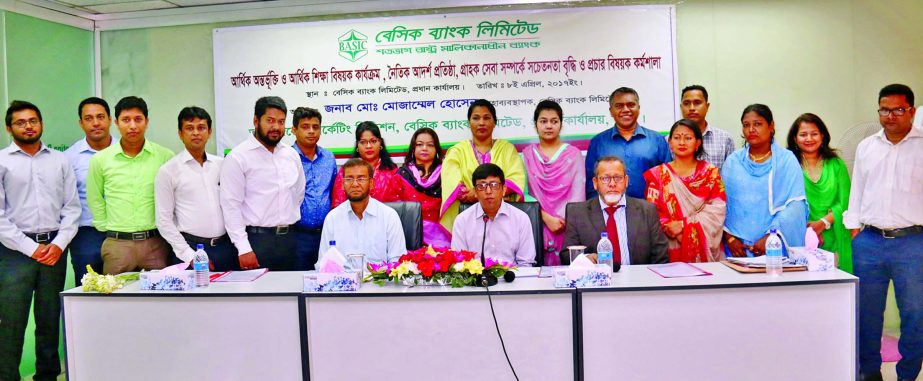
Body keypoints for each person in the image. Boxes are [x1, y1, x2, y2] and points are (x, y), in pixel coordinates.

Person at [843, 84, 922, 381]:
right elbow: (857, 191)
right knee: (867, 315)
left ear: (911, 111)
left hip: (913, 243)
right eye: (885, 109)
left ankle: (907, 375)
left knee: (915, 316)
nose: (890, 116)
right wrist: (855, 231)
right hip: (870, 242)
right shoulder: (866, 147)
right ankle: (869, 373)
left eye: (898, 110)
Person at [0, 101, 81, 381]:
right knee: (12, 320)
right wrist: (32, 249)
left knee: (48, 320)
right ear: (9, 128)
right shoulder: (2, 161)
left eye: (33, 120)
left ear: (41, 124)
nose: (29, 126)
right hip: (14, 253)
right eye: (21, 122)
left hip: (54, 250)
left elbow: (72, 208)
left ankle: (47, 376)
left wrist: (58, 244)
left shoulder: (60, 161)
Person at [86, 96, 174, 274]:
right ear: (116, 122)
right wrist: (106, 227)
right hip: (118, 244)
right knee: (115, 299)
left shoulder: (165, 156)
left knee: (160, 299)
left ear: (147, 122)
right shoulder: (100, 159)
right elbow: (94, 197)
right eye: (126, 120)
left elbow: (173, 197)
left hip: (156, 243)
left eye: (138, 119)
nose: (132, 126)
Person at [220, 96, 305, 271]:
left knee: (291, 295)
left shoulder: (291, 155)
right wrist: (243, 248)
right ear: (256, 121)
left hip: (290, 240)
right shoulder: (238, 157)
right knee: (260, 297)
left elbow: (298, 194)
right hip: (256, 242)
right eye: (270, 121)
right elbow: (230, 206)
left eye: (281, 122)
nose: (276, 127)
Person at [155, 107, 238, 271]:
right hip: (191, 249)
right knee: (195, 297)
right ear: (180, 133)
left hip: (226, 248)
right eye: (189, 128)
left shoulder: (221, 165)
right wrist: (189, 255)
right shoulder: (168, 170)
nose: (196, 133)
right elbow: (163, 221)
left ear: (209, 132)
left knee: (228, 296)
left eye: (201, 128)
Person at [721, 104, 807, 257]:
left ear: (771, 126)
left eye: (758, 124)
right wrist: (731, 238)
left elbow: (795, 205)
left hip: (776, 246)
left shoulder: (786, 160)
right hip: (738, 250)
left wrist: (771, 237)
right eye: (746, 125)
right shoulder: (733, 162)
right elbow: (722, 204)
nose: (751, 129)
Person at [643, 119, 727, 263]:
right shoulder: (657, 175)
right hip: (669, 248)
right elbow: (652, 212)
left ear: (698, 143)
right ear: (670, 142)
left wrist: (683, 226)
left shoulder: (710, 173)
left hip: (705, 251)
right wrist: (672, 230)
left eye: (688, 138)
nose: (682, 142)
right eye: (677, 138)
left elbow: (717, 211)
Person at [561, 156, 668, 266]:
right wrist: (585, 259)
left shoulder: (647, 211)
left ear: (626, 181)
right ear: (595, 183)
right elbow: (565, 256)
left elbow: (661, 257)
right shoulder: (577, 213)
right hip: (596, 281)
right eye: (605, 179)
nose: (612, 184)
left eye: (618, 178)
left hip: (639, 280)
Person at [441, 99, 527, 232]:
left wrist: (475, 193)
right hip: (469, 219)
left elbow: (515, 179)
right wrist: (491, 193)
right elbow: (452, 184)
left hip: (503, 219)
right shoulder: (457, 151)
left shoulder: (507, 149)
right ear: (469, 123)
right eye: (476, 118)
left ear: (494, 123)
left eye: (486, 118)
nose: (481, 122)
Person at [786, 113, 852, 272]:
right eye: (803, 134)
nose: (809, 138)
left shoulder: (836, 164)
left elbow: (846, 201)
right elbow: (784, 201)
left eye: (814, 134)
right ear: (795, 139)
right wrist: (809, 231)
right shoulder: (789, 164)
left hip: (834, 233)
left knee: (835, 288)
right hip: (798, 235)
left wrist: (823, 222)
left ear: (822, 136)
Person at [523, 100, 586, 266]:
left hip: (567, 226)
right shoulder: (527, 155)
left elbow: (578, 194)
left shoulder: (574, 155)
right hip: (536, 223)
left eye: (554, 121)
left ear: (561, 125)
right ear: (536, 125)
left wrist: (562, 220)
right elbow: (523, 193)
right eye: (543, 121)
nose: (549, 126)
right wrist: (545, 217)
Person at [585, 87, 672, 200]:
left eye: (631, 105)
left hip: (650, 212)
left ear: (639, 108)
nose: (626, 109)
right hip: (609, 213)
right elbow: (591, 184)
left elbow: (668, 180)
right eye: (619, 106)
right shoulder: (598, 142)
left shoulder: (657, 141)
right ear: (611, 111)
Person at [318, 158, 406, 266]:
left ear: (371, 183)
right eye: (349, 179)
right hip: (344, 281)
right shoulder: (332, 218)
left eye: (361, 179)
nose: (355, 184)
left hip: (379, 281)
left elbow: (397, 262)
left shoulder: (389, 216)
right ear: (342, 184)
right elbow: (324, 263)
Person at [64, 97, 113, 284]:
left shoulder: (125, 150)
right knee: (88, 289)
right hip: (86, 233)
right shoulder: (70, 157)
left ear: (110, 119)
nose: (95, 123)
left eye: (100, 117)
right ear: (81, 123)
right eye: (89, 118)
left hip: (123, 232)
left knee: (123, 290)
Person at [451, 163, 536, 267]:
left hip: (512, 279)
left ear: (503, 190)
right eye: (481, 186)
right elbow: (460, 263)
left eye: (494, 185)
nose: (488, 191)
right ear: (475, 192)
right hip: (476, 281)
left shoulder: (521, 219)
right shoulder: (462, 221)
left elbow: (526, 263)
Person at [292, 107, 337, 271]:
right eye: (305, 127)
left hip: (326, 234)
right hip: (296, 235)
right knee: (298, 282)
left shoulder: (328, 157)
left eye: (315, 127)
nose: (311, 131)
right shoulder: (286, 157)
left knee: (328, 279)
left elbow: (334, 191)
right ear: (294, 130)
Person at [396, 127, 452, 248]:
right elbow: (397, 208)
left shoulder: (446, 173)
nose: (425, 148)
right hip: (409, 234)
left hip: (440, 237)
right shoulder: (403, 174)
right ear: (413, 148)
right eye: (420, 144)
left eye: (430, 145)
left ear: (436, 149)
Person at [331, 121, 401, 207]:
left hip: (384, 218)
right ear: (357, 145)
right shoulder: (346, 170)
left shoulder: (392, 170)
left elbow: (399, 204)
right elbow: (338, 203)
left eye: (373, 141)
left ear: (380, 143)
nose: (368, 146)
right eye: (363, 142)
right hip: (353, 218)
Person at [679, 85, 736, 168]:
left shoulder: (725, 139)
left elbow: (731, 173)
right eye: (686, 103)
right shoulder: (669, 141)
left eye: (697, 103)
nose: (691, 108)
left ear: (707, 106)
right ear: (681, 107)